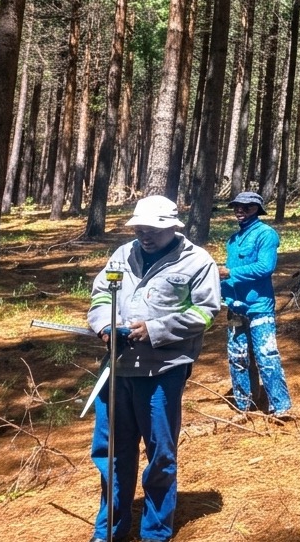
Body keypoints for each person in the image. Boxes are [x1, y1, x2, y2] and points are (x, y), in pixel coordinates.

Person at [86, 194, 221, 542]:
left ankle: (155, 533)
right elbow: (102, 294)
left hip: (162, 372)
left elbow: (206, 312)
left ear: (173, 228)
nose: (145, 236)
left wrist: (156, 330)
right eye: (140, 229)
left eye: (153, 230)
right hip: (117, 371)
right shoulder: (123, 254)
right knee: (112, 452)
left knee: (160, 454)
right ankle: (109, 531)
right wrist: (105, 325)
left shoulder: (197, 262)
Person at [221, 190, 293, 418]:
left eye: (246, 207)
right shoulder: (233, 240)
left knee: (266, 354)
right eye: (237, 207)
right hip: (235, 306)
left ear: (257, 210)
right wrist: (222, 291)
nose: (240, 211)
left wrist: (230, 272)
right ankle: (244, 406)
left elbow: (265, 267)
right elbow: (227, 276)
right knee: (238, 356)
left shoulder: (266, 234)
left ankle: (280, 407)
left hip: (259, 306)